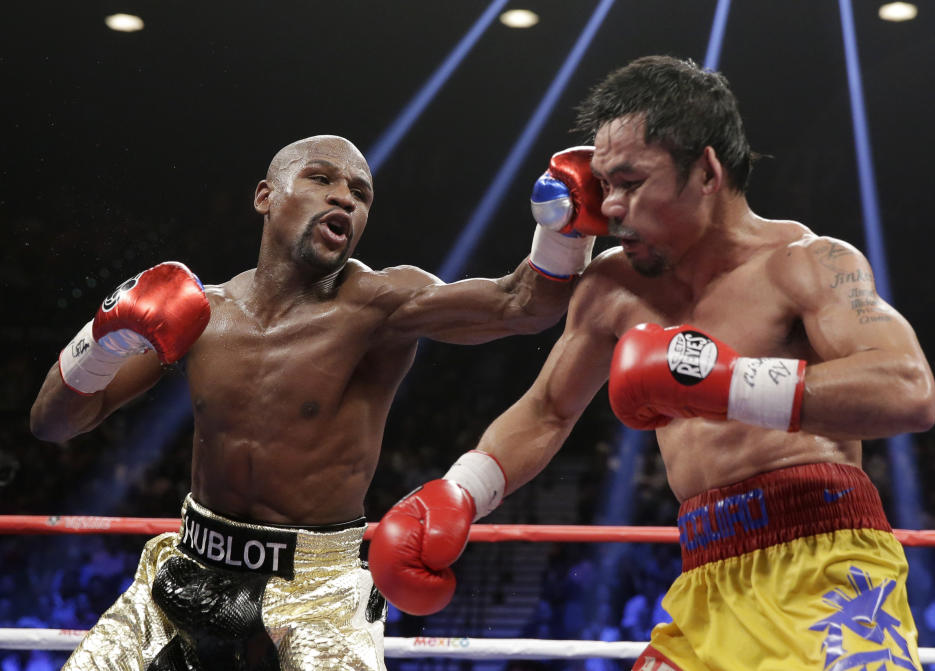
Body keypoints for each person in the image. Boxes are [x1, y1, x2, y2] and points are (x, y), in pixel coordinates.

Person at [368, 56, 935, 671]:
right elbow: (548, 410)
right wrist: (460, 492)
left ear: (707, 172)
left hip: (824, 564)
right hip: (704, 576)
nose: (610, 207)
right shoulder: (613, 286)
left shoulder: (807, 263)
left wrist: (729, 385)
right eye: (603, 184)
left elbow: (908, 389)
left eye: (631, 182)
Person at [29, 134, 607, 670]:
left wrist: (565, 227)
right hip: (192, 562)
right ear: (265, 197)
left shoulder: (381, 305)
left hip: (317, 587)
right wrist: (102, 339)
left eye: (360, 193)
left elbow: (521, 305)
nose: (344, 198)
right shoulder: (202, 314)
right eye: (321, 179)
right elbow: (53, 424)